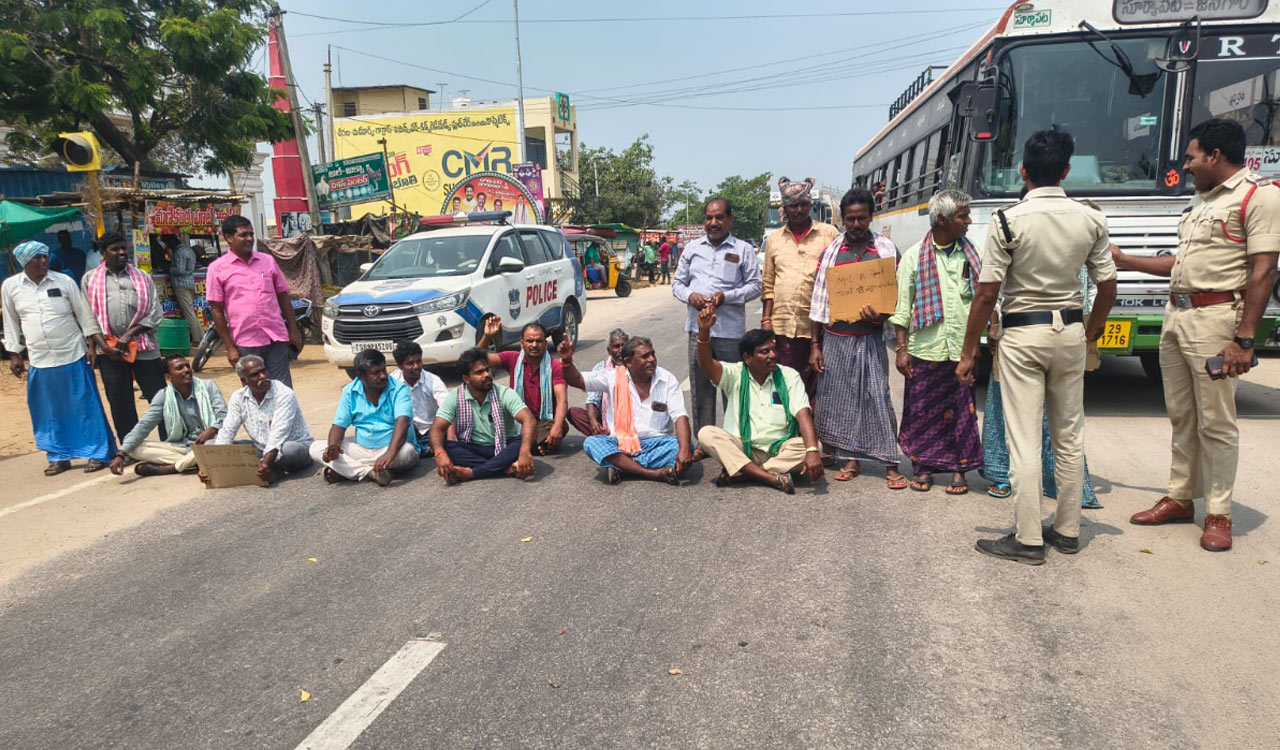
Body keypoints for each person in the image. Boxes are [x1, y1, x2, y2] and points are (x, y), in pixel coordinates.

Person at [1115, 118, 1280, 552]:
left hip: (1216, 320)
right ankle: (1181, 497)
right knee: (1182, 416)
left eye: (1191, 157)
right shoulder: (1203, 202)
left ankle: (1219, 513)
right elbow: (1179, 265)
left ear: (1214, 156)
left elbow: (1264, 270)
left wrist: (1244, 339)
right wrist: (1125, 260)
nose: (1186, 166)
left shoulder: (1257, 196)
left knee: (1217, 423)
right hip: (1178, 316)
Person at [957, 129, 1117, 565]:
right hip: (1069, 333)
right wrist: (1091, 333)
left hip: (1022, 336)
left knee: (1024, 439)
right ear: (1067, 171)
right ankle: (1066, 531)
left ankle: (1027, 538)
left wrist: (969, 352)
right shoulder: (1089, 218)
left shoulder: (1007, 221)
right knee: (1069, 435)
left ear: (1023, 171)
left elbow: (987, 294)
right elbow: (1107, 287)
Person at [808, 188, 907, 488]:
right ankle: (851, 460)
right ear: (842, 219)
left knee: (877, 397)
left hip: (870, 338)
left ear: (870, 217)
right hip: (835, 338)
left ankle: (890, 463)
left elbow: (899, 300)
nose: (855, 225)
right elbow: (818, 303)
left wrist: (882, 317)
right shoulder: (832, 253)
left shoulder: (887, 250)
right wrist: (815, 345)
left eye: (861, 218)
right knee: (841, 401)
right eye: (850, 219)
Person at [982, 268, 1103, 508]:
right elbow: (998, 286)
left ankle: (1058, 485)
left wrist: (1091, 321)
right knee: (1009, 406)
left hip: (1064, 331)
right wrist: (994, 323)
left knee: (1059, 415)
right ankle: (1004, 473)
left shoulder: (1079, 237)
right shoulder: (1018, 234)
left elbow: (1096, 287)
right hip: (1020, 328)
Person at [888, 189, 983, 494]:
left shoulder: (972, 253)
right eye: (962, 216)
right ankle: (924, 467)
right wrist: (901, 351)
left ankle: (959, 470)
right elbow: (903, 309)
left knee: (961, 412)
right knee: (923, 412)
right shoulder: (915, 257)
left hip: (962, 350)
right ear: (942, 220)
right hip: (925, 349)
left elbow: (983, 300)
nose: (968, 222)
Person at [2, 240, 116, 475]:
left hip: (72, 353)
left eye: (45, 256)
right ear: (25, 262)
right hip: (40, 359)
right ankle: (58, 456)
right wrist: (15, 354)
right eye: (37, 258)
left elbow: (84, 315)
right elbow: (11, 322)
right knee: (49, 411)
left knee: (85, 406)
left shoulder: (64, 281)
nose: (43, 261)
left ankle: (97, 453)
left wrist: (92, 347)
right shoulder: (11, 287)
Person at [693, 306, 823, 493]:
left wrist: (811, 451)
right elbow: (706, 365)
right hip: (742, 447)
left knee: (814, 445)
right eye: (764, 352)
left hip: (780, 448)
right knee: (706, 433)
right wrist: (704, 332)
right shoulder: (735, 374)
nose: (772, 355)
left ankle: (743, 472)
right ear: (748, 358)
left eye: (773, 350)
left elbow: (803, 414)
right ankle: (769, 476)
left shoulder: (788, 376)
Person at [673, 197, 763, 436]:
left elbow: (756, 286)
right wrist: (690, 295)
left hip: (730, 333)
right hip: (698, 329)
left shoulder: (742, 249)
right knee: (701, 387)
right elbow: (677, 284)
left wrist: (727, 296)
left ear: (729, 219)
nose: (713, 222)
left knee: (733, 386)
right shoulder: (692, 249)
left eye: (719, 217)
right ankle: (705, 439)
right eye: (709, 217)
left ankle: (737, 436)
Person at [561, 335, 693, 484]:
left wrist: (684, 449)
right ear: (628, 362)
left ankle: (623, 466)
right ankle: (652, 473)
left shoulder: (667, 379)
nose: (652, 360)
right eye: (645, 356)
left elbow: (680, 417)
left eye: (652, 354)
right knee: (592, 443)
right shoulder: (613, 378)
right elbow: (576, 380)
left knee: (683, 446)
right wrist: (566, 362)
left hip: (657, 442)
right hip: (620, 443)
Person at [81, 232, 166, 442]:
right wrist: (105, 347)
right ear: (103, 253)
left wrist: (129, 334)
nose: (121, 253)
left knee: (159, 397)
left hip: (144, 347)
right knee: (120, 400)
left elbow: (155, 312)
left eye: (123, 248)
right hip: (110, 351)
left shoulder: (142, 277)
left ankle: (171, 440)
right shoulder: (90, 280)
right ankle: (131, 446)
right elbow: (87, 316)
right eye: (115, 249)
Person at [761, 176, 840, 400]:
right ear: (784, 209)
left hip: (823, 327)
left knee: (821, 386)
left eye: (803, 205)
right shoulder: (775, 240)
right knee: (786, 386)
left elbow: (840, 277)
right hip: (785, 327)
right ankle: (788, 433)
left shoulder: (829, 234)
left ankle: (815, 433)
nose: (798, 210)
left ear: (810, 205)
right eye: (793, 206)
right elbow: (768, 283)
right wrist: (766, 319)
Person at [205, 215, 303, 386]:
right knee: (255, 391)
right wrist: (230, 347)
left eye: (251, 234)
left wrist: (293, 330)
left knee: (283, 390)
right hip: (245, 342)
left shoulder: (268, 261)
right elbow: (217, 311)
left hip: (276, 337)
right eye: (243, 235)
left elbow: (283, 296)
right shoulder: (217, 269)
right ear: (229, 238)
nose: (249, 238)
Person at [429, 347, 538, 483]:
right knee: (449, 447)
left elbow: (529, 420)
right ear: (466, 379)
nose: (486, 374)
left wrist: (525, 451)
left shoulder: (504, 393)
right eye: (479, 372)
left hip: (505, 445)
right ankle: (504, 468)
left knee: (525, 441)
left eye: (487, 370)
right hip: (476, 448)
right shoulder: (455, 397)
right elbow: (436, 428)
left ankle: (473, 473)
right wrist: (440, 453)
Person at [311, 348, 419, 485]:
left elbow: (403, 422)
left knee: (407, 452)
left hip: (394, 450)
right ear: (360, 376)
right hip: (363, 450)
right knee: (315, 448)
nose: (383, 376)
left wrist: (390, 453)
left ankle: (348, 470)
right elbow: (338, 426)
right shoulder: (350, 391)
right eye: (376, 373)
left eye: (384, 370)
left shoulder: (399, 389)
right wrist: (332, 448)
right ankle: (370, 473)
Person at [109, 355, 226, 477]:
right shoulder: (163, 396)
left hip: (211, 441)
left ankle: (172, 468)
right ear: (168, 377)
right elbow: (144, 425)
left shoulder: (208, 387)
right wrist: (121, 454)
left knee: (212, 446)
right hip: (182, 446)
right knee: (134, 448)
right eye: (180, 368)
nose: (186, 370)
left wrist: (212, 429)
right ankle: (193, 462)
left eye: (187, 366)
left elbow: (224, 416)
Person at [207, 354, 313, 482]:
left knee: (289, 450)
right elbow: (228, 430)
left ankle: (267, 468)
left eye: (264, 371)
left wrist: (266, 463)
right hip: (260, 449)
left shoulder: (283, 393)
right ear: (244, 381)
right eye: (255, 374)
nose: (263, 377)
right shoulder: (238, 397)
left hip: (291, 447)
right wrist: (214, 467)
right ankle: (269, 469)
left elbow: (278, 434)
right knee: (211, 445)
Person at [476, 317, 568, 455]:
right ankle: (534, 446)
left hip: (542, 423)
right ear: (522, 343)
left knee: (560, 426)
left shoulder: (555, 366)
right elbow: (476, 360)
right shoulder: (512, 358)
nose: (534, 345)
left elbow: (562, 400)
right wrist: (487, 337)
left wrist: (558, 427)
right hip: (516, 419)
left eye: (539, 341)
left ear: (545, 343)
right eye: (530, 341)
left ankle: (520, 445)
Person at [390, 339, 449, 453]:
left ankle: (424, 450)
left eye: (418, 361)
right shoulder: (392, 382)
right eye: (410, 363)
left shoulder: (433, 380)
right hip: (406, 432)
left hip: (432, 431)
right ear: (400, 366)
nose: (416, 366)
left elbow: (448, 409)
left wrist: (436, 429)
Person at [567, 328, 628, 436]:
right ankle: (606, 435)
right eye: (616, 346)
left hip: (631, 416)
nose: (620, 350)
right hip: (606, 417)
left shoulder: (635, 367)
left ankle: (609, 438)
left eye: (624, 346)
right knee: (574, 413)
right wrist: (593, 422)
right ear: (609, 350)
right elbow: (593, 399)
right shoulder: (601, 368)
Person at [162, 234, 203, 345]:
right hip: (189, 282)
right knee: (191, 311)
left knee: (188, 312)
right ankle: (201, 337)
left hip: (181, 284)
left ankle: (196, 339)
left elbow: (179, 270)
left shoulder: (179, 252)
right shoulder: (188, 249)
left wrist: (168, 268)